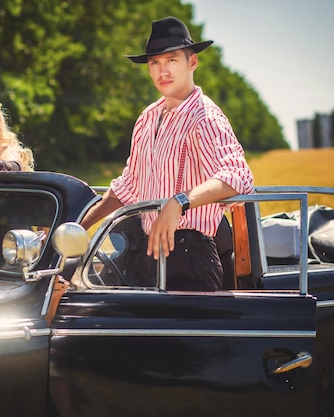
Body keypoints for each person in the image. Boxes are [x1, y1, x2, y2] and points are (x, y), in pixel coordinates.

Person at [80, 16, 254, 291]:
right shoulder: (147, 118)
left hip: (191, 256)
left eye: (172, 60)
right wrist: (77, 226)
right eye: (155, 62)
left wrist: (179, 202)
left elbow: (237, 177)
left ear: (192, 62)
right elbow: (127, 188)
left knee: (183, 335)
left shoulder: (205, 116)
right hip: (149, 253)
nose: (163, 70)